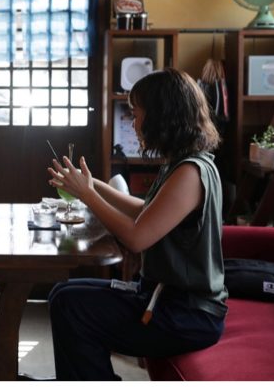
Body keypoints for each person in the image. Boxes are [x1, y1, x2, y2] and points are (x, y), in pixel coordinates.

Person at [46, 68, 227, 380]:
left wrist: (88, 196)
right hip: (166, 299)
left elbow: (138, 237)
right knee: (63, 294)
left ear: (162, 115)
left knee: (71, 308)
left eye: (137, 113)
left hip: (186, 315)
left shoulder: (189, 172)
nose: (133, 122)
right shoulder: (183, 163)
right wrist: (95, 185)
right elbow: (147, 212)